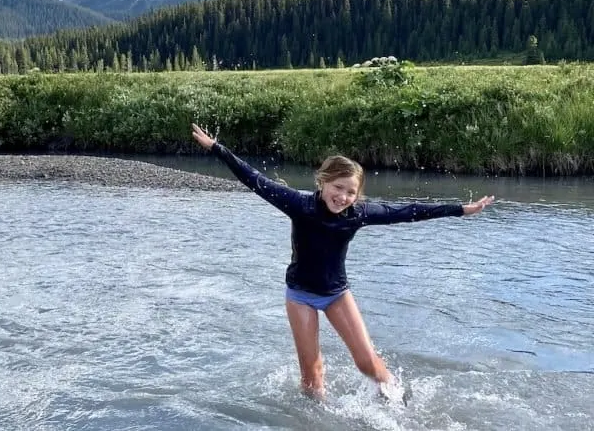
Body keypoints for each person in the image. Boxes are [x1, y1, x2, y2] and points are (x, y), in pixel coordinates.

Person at [190, 123, 494, 402]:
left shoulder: (357, 215)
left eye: (351, 192)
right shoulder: (299, 205)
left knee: (368, 364)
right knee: (311, 378)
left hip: (337, 294)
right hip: (300, 296)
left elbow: (408, 211)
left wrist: (461, 209)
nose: (343, 197)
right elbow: (255, 180)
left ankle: (399, 403)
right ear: (322, 183)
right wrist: (216, 147)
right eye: (338, 188)